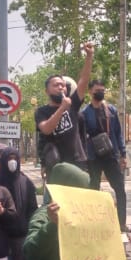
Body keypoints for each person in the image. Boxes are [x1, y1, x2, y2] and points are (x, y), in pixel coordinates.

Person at [35, 43, 94, 173]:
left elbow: (84, 81)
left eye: (63, 85)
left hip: (78, 163)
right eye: (56, 85)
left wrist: (89, 56)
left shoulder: (73, 103)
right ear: (47, 91)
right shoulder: (41, 112)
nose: (61, 87)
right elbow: (46, 129)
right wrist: (62, 108)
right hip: (56, 166)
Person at [82, 79, 129, 233]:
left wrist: (123, 153)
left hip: (110, 155)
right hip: (93, 157)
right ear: (90, 91)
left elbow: (118, 133)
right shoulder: (84, 113)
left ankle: (122, 223)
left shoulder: (111, 110)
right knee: (93, 191)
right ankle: (94, 224)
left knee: (120, 189)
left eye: (102, 90)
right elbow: (81, 137)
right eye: (97, 90)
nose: (100, 93)